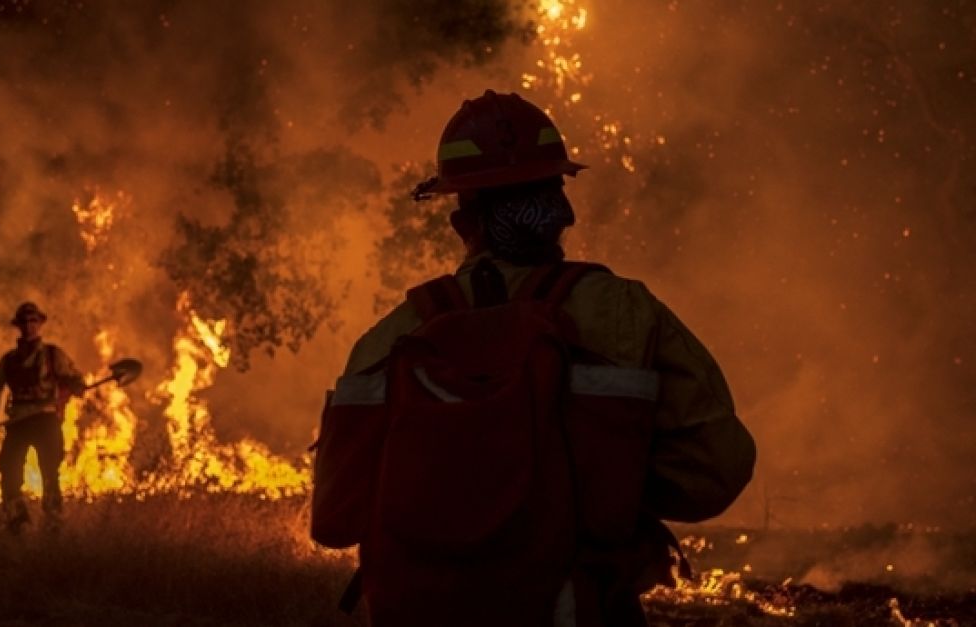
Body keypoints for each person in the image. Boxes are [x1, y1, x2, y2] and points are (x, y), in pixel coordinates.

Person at [310, 91, 756, 626]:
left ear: (461, 222)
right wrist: (606, 480)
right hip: (574, 609)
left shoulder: (393, 338)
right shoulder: (625, 312)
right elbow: (718, 472)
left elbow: (336, 519)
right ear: (560, 212)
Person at [0, 302, 86, 533]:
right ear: (18, 326)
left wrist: (76, 386)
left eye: (33, 321)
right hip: (18, 422)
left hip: (46, 420)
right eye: (25, 322)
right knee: (9, 468)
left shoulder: (53, 355)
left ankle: (53, 522)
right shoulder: (8, 361)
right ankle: (17, 522)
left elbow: (76, 379)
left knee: (50, 471)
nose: (29, 326)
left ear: (40, 324)